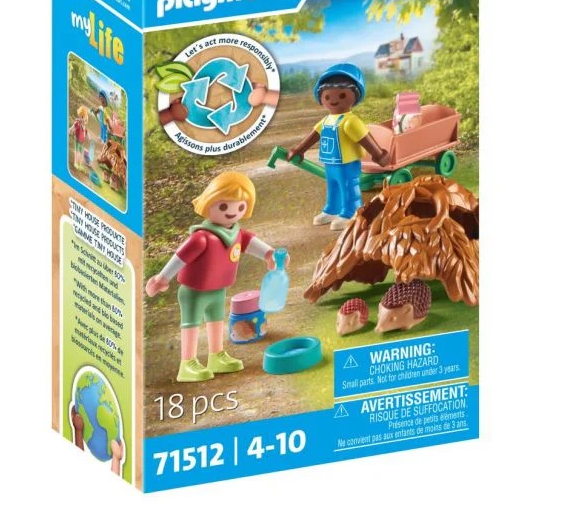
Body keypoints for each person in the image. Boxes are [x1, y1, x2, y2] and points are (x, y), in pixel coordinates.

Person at [145, 172, 288, 382]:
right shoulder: (201, 237)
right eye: (223, 206)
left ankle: (216, 355)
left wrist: (270, 254)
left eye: (240, 207)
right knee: (191, 324)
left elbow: (253, 244)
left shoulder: (237, 233)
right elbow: (180, 257)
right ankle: (187, 363)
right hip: (194, 291)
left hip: (218, 288)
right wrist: (162, 278)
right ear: (208, 203)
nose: (232, 212)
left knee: (216, 320)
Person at [287, 63, 390, 230]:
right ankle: (332, 209)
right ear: (321, 98)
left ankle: (351, 211)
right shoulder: (326, 120)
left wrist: (378, 154)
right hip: (330, 162)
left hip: (347, 163)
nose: (333, 100)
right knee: (333, 186)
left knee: (348, 187)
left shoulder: (350, 122)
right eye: (327, 97)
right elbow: (314, 135)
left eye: (342, 95)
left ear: (355, 96)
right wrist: (300, 150)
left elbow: (365, 138)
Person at [68, 106, 89, 171]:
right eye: (82, 117)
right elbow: (73, 127)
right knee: (77, 152)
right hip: (77, 140)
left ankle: (80, 164)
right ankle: (76, 163)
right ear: (81, 116)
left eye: (85, 119)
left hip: (82, 141)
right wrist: (70, 130)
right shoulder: (78, 123)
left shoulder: (83, 125)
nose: (84, 120)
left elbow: (85, 132)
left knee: (81, 152)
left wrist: (88, 136)